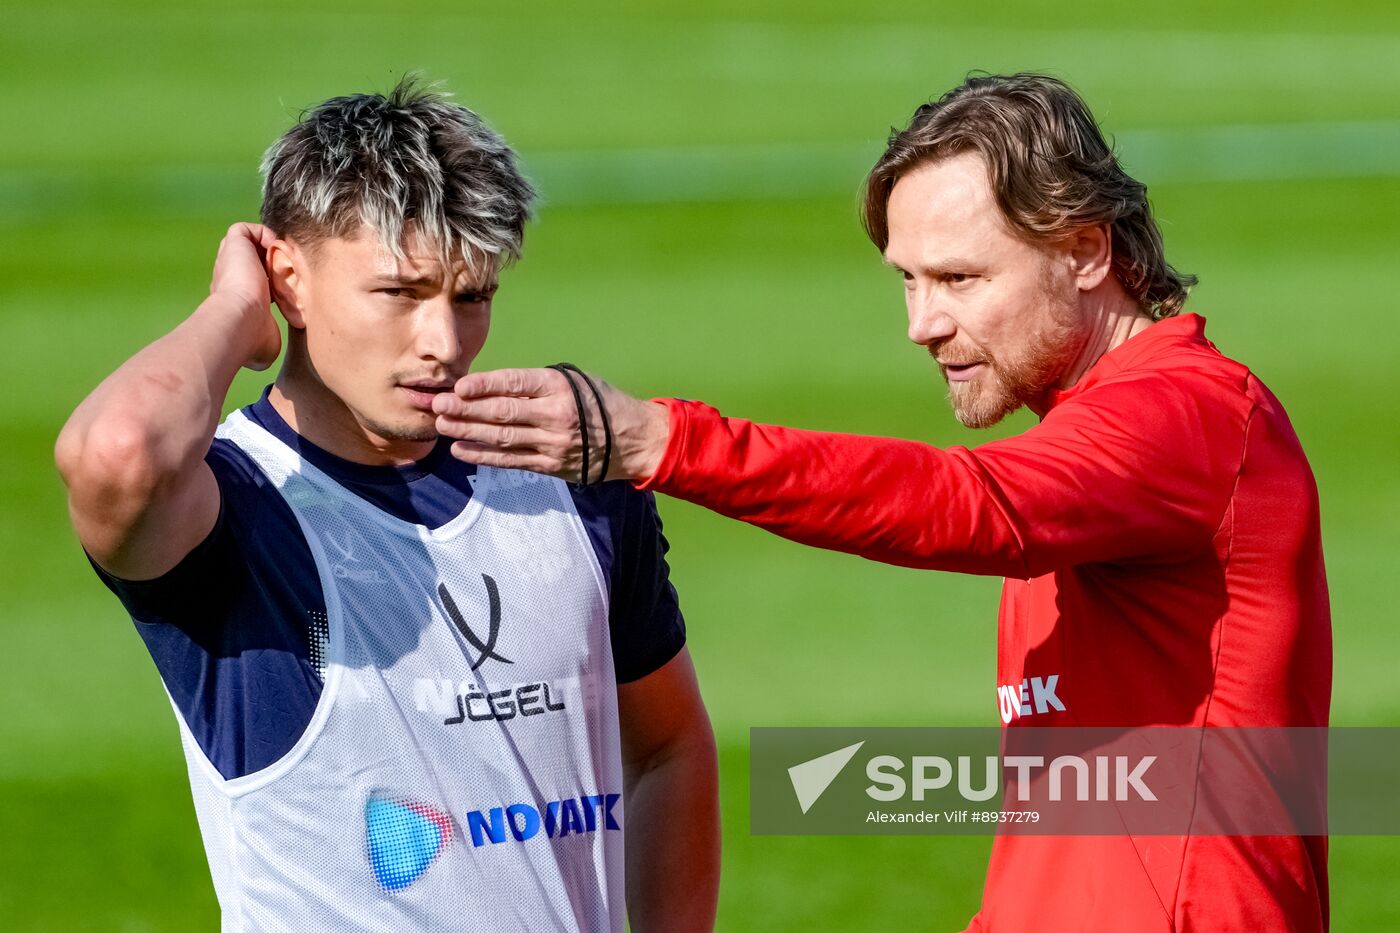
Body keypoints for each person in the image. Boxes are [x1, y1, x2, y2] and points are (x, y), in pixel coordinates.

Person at [429, 74, 1332, 931]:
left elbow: (970, 504)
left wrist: (663, 442)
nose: (922, 324)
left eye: (959, 279)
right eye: (909, 278)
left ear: (1086, 250)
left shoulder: (1190, 416)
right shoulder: (1095, 453)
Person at [55, 78, 719, 933]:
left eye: (471, 296)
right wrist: (231, 313)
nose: (444, 343)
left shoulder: (570, 480)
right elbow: (116, 454)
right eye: (400, 293)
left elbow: (667, 745)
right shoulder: (237, 510)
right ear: (286, 279)